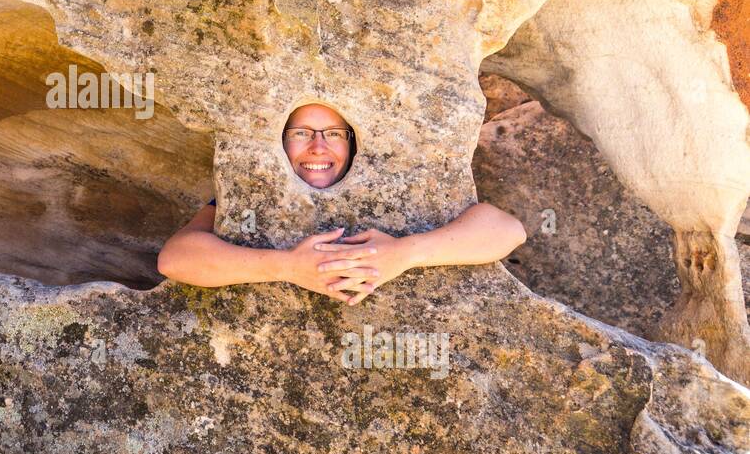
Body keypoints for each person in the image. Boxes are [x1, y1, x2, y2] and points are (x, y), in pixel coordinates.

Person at [156, 103, 527, 304]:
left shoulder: (396, 187)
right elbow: (176, 258)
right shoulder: (248, 197)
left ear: (353, 144)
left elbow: (507, 231)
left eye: (333, 134)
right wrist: (288, 267)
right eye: (301, 134)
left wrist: (403, 253)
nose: (318, 147)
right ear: (278, 145)